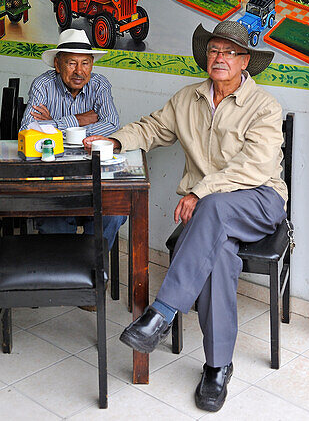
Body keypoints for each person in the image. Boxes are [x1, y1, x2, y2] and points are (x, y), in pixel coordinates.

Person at [88, 21, 285, 413]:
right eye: (214, 50)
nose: (220, 58)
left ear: (246, 62)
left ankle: (160, 315)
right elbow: (152, 128)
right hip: (211, 217)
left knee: (211, 209)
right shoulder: (187, 99)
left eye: (230, 52)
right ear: (205, 57)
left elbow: (254, 167)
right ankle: (217, 367)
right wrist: (114, 140)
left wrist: (200, 191)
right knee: (218, 257)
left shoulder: (265, 106)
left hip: (259, 201)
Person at [20, 28, 125, 251]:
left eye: (85, 63)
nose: (79, 71)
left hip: (93, 178)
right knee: (52, 217)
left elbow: (112, 123)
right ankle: (65, 269)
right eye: (71, 63)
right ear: (57, 65)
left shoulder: (100, 85)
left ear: (92, 65)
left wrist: (54, 125)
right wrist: (78, 120)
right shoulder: (43, 85)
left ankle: (93, 270)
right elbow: (29, 129)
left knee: (113, 215)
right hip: (53, 181)